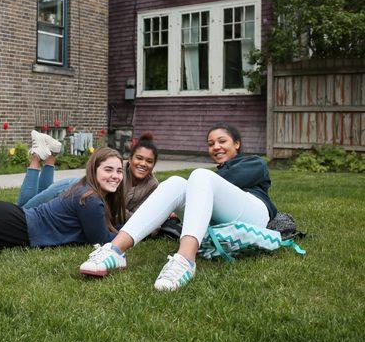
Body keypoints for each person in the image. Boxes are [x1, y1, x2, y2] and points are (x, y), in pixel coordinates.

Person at [79, 122, 278, 291]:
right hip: (221, 216)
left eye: (222, 141)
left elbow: (224, 182)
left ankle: (185, 260)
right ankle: (115, 250)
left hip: (255, 213)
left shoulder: (254, 162)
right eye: (211, 144)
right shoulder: (211, 178)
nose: (216, 146)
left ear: (237, 143)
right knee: (175, 182)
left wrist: (197, 186)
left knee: (199, 175)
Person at [18, 131, 159, 221]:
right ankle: (36, 157)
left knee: (35, 209)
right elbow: (121, 211)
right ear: (130, 158)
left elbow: (142, 215)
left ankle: (52, 155)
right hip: (71, 189)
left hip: (79, 198)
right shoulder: (118, 170)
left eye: (149, 161)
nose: (143, 164)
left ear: (154, 164)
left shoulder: (152, 186)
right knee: (22, 211)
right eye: (139, 158)